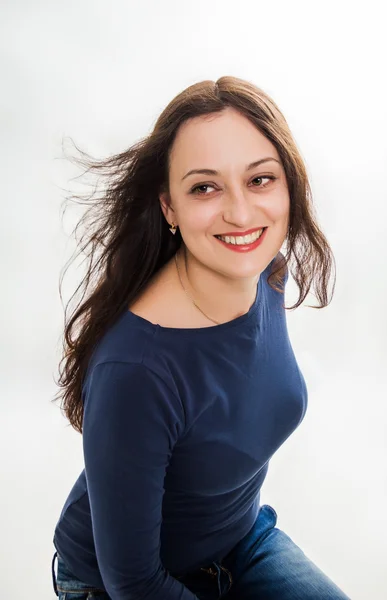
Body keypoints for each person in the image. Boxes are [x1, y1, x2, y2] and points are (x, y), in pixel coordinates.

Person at [51, 76, 350, 599]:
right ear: (169, 208)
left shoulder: (266, 276)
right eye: (204, 187)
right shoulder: (136, 371)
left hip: (239, 540)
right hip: (120, 587)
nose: (239, 213)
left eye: (260, 179)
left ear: (289, 184)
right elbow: (135, 583)